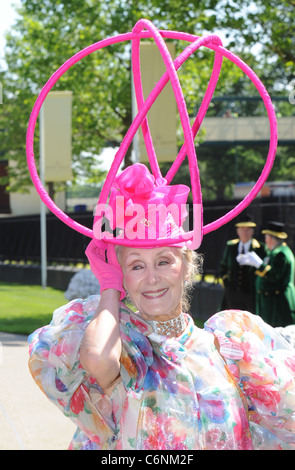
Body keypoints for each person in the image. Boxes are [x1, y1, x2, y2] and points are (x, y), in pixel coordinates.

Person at [28, 164, 295, 450]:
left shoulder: (229, 348)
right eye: (136, 266)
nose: (152, 278)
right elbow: (96, 358)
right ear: (124, 278)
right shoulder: (129, 351)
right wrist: (109, 286)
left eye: (164, 261)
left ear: (186, 267)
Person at [238, 221, 295, 327]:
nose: (265, 239)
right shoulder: (276, 251)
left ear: (270, 238)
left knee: (278, 332)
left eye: (266, 237)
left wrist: (259, 265)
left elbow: (275, 275)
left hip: (277, 303)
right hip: (271, 301)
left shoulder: (281, 254)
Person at [219, 215, 266, 313]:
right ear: (237, 231)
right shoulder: (231, 246)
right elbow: (223, 266)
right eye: (242, 229)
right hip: (232, 293)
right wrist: (226, 282)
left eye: (248, 229)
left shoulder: (260, 248)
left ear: (253, 231)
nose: (245, 232)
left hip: (251, 294)